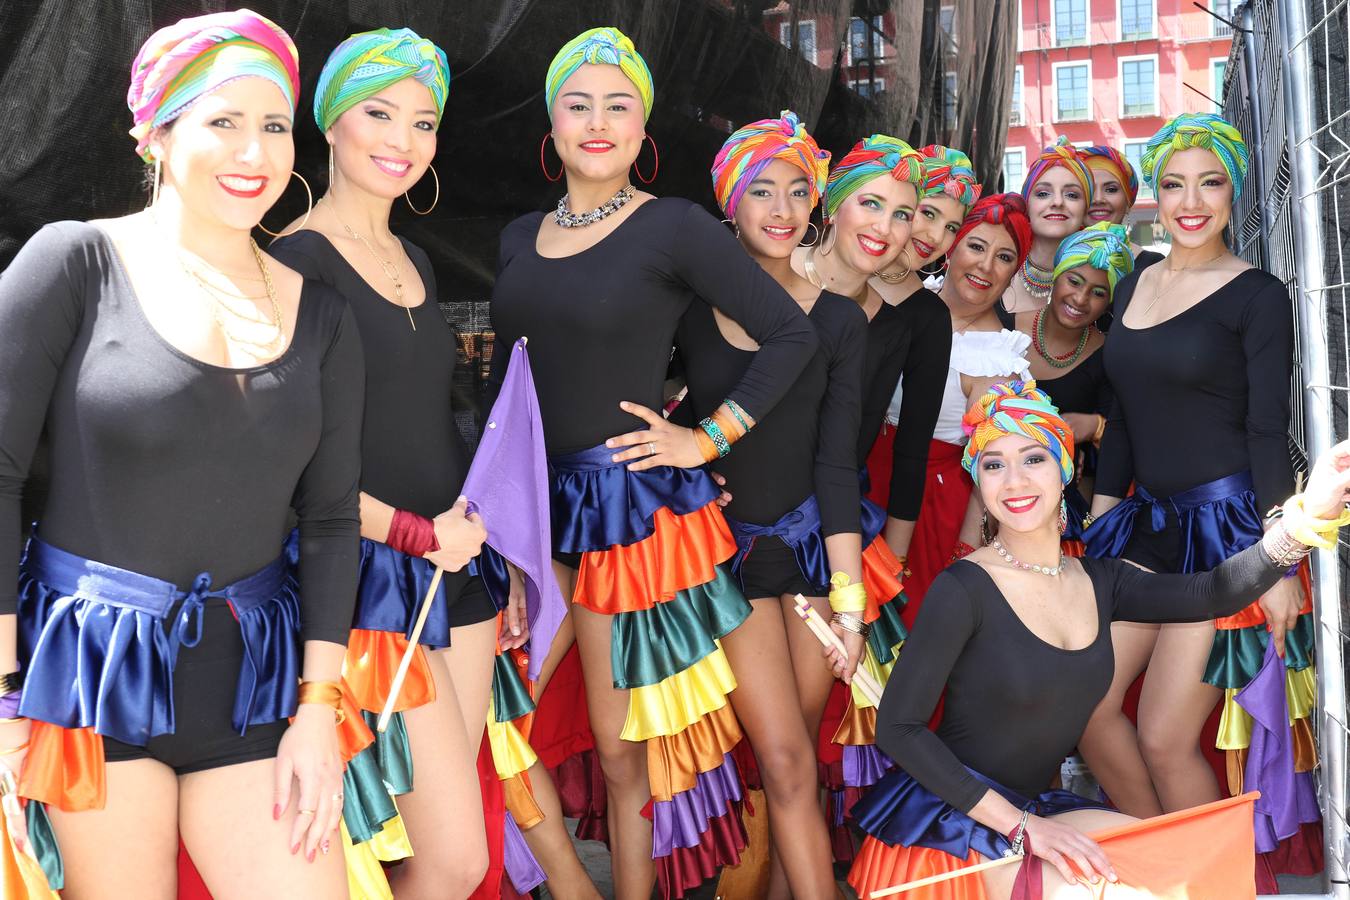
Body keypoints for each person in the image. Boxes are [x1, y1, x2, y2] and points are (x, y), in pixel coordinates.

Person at [0, 11, 361, 897]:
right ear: (156, 133)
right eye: (222, 121)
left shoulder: (324, 315)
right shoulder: (73, 263)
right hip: (85, 683)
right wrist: (4, 704)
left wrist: (320, 710)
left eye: (274, 125)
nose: (255, 151)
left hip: (256, 688)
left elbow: (330, 521)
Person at [490, 28, 817, 900]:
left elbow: (793, 333)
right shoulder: (519, 236)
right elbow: (504, 390)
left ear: (644, 129)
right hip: (524, 510)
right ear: (552, 122)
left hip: (626, 512)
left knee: (617, 743)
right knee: (492, 712)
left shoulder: (671, 226)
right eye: (578, 102)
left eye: (619, 104)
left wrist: (706, 438)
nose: (598, 121)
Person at [846, 380, 1350, 900]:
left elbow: (1214, 592)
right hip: (950, 826)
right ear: (979, 482)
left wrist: (1307, 516)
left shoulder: (1100, 580)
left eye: (1033, 458)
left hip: (1031, 814)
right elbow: (899, 728)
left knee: (1191, 870)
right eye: (993, 464)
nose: (1013, 480)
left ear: (1067, 467)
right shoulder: (963, 589)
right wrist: (1023, 827)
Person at [269, 28, 511, 897]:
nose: (401, 140)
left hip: (457, 569)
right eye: (379, 113)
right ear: (329, 123)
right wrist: (413, 534)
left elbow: (422, 419)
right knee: (451, 857)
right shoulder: (296, 262)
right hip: (370, 574)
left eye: (422, 121)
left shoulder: (412, 255)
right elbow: (295, 466)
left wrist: (479, 538)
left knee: (434, 845)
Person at [1079, 114, 1319, 867]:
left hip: (1228, 535)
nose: (1190, 201)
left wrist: (1278, 560)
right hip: (1145, 527)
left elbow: (1265, 428)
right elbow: (1120, 418)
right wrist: (1099, 526)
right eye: (1174, 182)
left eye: (1209, 183)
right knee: (1084, 707)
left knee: (1162, 735)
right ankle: (1168, 870)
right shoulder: (1135, 280)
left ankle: (1219, 883)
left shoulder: (1258, 296)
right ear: (1154, 191)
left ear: (1232, 192)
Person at [684, 113, 909, 898]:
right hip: (726, 557)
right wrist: (687, 469)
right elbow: (647, 413)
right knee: (778, 760)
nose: (781, 209)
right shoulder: (686, 309)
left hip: (815, 555)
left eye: (797, 191)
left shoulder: (840, 319)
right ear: (731, 204)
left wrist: (851, 612)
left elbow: (837, 466)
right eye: (761, 190)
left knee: (799, 762)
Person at [898, 194, 1034, 623]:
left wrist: (965, 551)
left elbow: (990, 468)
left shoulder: (997, 361)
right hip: (860, 482)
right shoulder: (906, 297)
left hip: (928, 508)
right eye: (976, 246)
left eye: (1004, 257)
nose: (985, 266)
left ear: (1015, 271)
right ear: (952, 246)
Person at [863, 145, 980, 565]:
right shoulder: (823, 272)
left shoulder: (929, 318)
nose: (934, 238)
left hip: (842, 497)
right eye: (928, 214)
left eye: (951, 228)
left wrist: (892, 565)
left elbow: (912, 451)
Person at [1011, 222, 1133, 549]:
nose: (1080, 298)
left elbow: (1126, 441)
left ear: (1109, 302)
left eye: (1098, 292)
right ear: (1056, 275)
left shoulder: (1110, 355)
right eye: (1073, 281)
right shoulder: (1003, 325)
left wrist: (1093, 426)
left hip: (1061, 517)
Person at [1002, 137, 1091, 315]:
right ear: (1027, 204)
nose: (1057, 202)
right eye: (1043, 193)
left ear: (1086, 209)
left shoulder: (1100, 276)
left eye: (1072, 195)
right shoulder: (997, 263)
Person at [1081, 145, 1164, 271]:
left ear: (1127, 203)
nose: (1098, 199)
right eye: (1088, 189)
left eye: (1111, 189)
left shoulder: (1153, 266)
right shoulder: (1056, 261)